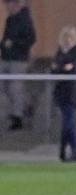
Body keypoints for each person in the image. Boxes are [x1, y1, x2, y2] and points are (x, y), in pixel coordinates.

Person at [51, 25, 76, 162]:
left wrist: (62, 68)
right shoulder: (60, 51)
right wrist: (62, 67)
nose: (67, 40)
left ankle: (73, 150)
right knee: (67, 122)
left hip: (72, 91)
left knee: (68, 122)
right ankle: (63, 152)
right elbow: (54, 68)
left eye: (70, 37)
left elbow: (74, 68)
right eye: (65, 37)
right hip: (61, 91)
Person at [0, 0, 35, 130]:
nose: (7, 7)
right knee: (3, 86)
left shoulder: (25, 19)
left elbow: (31, 39)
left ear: (15, 4)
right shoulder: (10, 19)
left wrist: (14, 44)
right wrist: (3, 45)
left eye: (8, 4)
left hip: (19, 59)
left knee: (15, 87)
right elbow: (6, 39)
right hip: (6, 58)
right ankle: (25, 104)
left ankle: (17, 117)